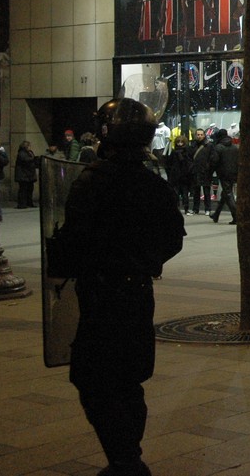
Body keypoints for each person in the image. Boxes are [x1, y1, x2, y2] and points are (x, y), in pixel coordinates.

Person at [53, 97, 184, 474]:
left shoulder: (91, 181)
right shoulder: (155, 185)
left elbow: (74, 240)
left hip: (99, 293)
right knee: (129, 378)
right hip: (138, 291)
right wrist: (144, 262)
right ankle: (129, 454)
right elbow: (173, 239)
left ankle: (122, 458)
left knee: (92, 376)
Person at [210, 129, 238, 225]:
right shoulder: (234, 147)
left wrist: (210, 172)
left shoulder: (218, 147)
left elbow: (214, 161)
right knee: (225, 193)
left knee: (228, 193)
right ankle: (216, 214)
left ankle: (236, 215)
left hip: (223, 173)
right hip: (234, 173)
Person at [165, 135, 194, 215]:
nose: (180, 144)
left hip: (179, 176)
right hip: (181, 176)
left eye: (181, 142)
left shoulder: (176, 152)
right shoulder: (185, 152)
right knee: (181, 193)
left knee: (180, 193)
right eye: (178, 142)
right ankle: (185, 208)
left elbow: (168, 164)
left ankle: (182, 208)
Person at [190, 128, 216, 215]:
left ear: (204, 135)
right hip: (196, 170)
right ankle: (195, 209)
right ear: (196, 135)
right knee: (196, 191)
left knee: (206, 191)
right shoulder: (193, 145)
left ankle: (207, 209)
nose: (200, 136)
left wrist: (209, 168)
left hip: (206, 171)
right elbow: (189, 157)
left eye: (201, 134)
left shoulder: (209, 145)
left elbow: (212, 158)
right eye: (198, 134)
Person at [14, 140, 37, 209]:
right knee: (23, 190)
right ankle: (22, 204)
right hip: (23, 175)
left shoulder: (29, 152)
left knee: (30, 189)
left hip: (29, 175)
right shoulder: (21, 153)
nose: (30, 147)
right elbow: (25, 160)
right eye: (29, 146)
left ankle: (29, 202)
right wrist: (33, 158)